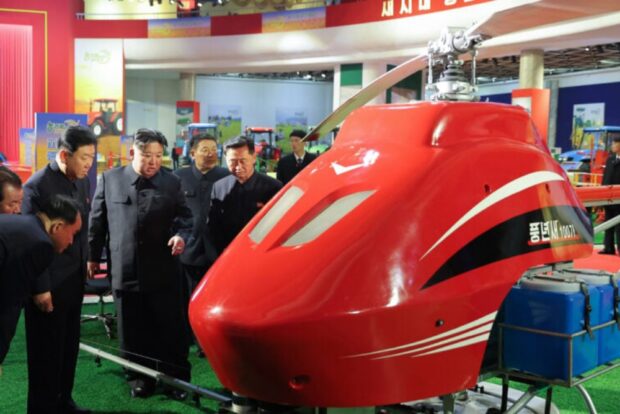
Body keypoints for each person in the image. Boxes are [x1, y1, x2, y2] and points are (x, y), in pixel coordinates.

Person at [88, 128, 193, 400]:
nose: (153, 161)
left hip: (163, 268)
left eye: (158, 156)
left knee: (169, 326)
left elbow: (185, 218)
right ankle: (138, 377)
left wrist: (181, 236)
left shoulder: (172, 182)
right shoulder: (110, 179)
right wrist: (92, 256)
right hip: (125, 268)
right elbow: (97, 222)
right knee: (132, 327)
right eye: (147, 155)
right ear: (133, 152)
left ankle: (175, 379)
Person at [21, 125, 96, 414]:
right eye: (84, 158)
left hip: (73, 282)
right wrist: (40, 287)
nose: (89, 164)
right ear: (65, 155)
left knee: (68, 349)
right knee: (46, 354)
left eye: (92, 158)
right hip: (48, 285)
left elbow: (82, 229)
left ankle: (64, 402)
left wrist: (86, 262)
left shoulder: (83, 182)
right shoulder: (37, 186)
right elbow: (31, 242)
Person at [0, 195, 81, 374]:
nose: (71, 242)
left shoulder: (24, 225)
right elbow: (8, 303)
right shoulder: (40, 244)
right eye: (73, 234)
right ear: (57, 227)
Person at [173, 134, 229, 341]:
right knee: (188, 295)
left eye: (214, 149)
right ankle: (188, 334)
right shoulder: (178, 177)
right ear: (193, 152)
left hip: (219, 250)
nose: (210, 154)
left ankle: (210, 337)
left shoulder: (226, 176)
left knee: (216, 297)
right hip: (188, 248)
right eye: (205, 149)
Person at [209, 136, 282, 255]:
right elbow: (214, 225)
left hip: (261, 253)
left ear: (254, 158)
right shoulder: (219, 187)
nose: (238, 167)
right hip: (227, 253)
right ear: (225, 159)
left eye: (243, 160)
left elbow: (278, 226)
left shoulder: (273, 187)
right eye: (233, 161)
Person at [601, 136, 620, 254]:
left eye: (614, 143)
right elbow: (605, 178)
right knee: (608, 222)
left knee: (619, 224)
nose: (612, 146)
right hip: (608, 197)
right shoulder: (610, 159)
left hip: (619, 197)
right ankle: (608, 247)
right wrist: (601, 193)